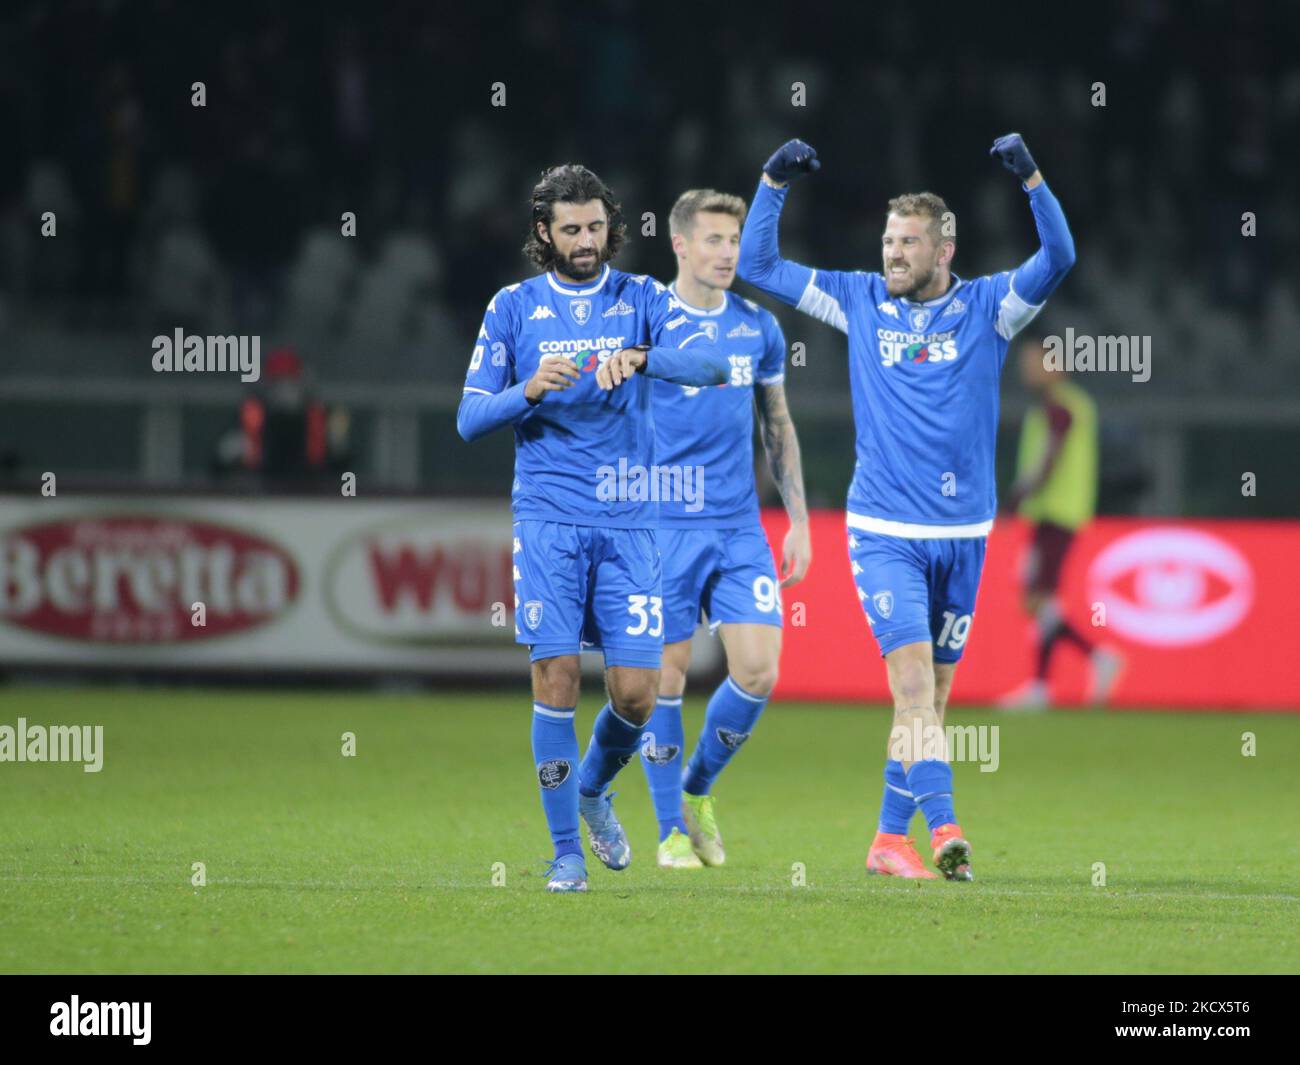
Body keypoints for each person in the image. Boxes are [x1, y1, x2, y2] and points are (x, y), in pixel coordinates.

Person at [736, 134, 1075, 880]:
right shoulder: (859, 299)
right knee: (914, 686)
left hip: (965, 535)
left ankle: (889, 839)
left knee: (935, 698)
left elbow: (1058, 258)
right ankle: (946, 824)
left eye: (909, 243)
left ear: (943, 250)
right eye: (889, 240)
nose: (893, 253)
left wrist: (1033, 181)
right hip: (885, 532)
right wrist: (772, 182)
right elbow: (757, 265)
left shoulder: (989, 307)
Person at [456, 164, 733, 893]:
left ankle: (590, 790)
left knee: (638, 692)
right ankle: (565, 856)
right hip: (547, 518)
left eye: (596, 226)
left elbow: (711, 364)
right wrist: (527, 390)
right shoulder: (513, 308)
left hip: (631, 518)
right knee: (554, 679)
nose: (586, 240)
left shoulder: (641, 298)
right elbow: (468, 417)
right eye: (570, 228)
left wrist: (644, 356)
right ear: (544, 233)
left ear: (612, 226)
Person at [637, 189, 811, 869]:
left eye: (733, 241)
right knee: (666, 677)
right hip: (661, 522)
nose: (726, 253)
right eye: (711, 240)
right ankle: (668, 832)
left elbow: (777, 422)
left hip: (739, 526)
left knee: (760, 671)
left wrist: (797, 517)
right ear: (679, 244)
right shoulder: (645, 316)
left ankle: (696, 788)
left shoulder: (758, 327)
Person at [999, 336, 1122, 708]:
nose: (1029, 369)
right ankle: (1074, 668)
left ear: (1057, 366)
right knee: (1040, 599)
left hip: (1058, 512)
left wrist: (1017, 497)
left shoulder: (1063, 407)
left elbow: (1049, 458)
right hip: (1050, 513)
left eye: (1036, 361)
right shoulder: (1057, 407)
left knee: (1038, 597)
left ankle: (1064, 674)